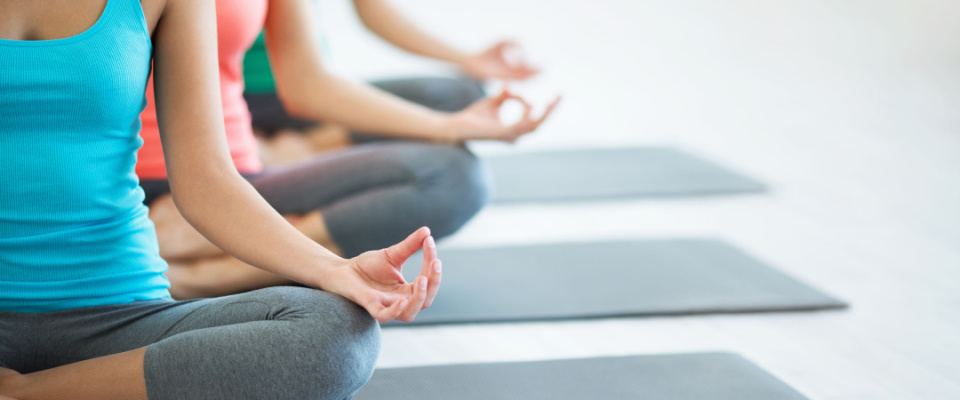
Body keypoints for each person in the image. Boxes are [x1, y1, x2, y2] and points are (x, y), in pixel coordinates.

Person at [0, 0, 441, 399]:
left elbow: (207, 180)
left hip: (119, 314)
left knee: (338, 331)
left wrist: (336, 270)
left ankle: (29, 392)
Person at [139, 0, 560, 299]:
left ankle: (206, 267)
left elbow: (309, 83)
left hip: (241, 175)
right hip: (173, 179)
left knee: (454, 175)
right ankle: (196, 256)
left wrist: (449, 126)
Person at [242, 0, 542, 161]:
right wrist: (444, 128)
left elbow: (372, 7)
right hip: (247, 100)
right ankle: (267, 148)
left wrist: (467, 60)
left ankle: (304, 147)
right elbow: (305, 87)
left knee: (463, 96)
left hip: (312, 90)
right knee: (451, 172)